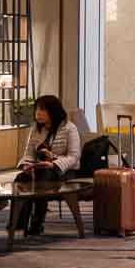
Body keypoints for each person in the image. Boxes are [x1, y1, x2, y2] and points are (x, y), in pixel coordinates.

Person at [16, 95, 83, 235]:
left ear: (53, 111)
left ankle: (36, 223)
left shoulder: (70, 128)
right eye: (37, 110)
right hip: (40, 168)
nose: (38, 114)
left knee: (43, 178)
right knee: (21, 178)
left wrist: (54, 164)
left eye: (42, 110)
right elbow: (28, 153)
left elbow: (74, 157)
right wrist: (26, 166)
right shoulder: (35, 129)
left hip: (66, 171)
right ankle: (18, 222)